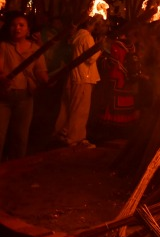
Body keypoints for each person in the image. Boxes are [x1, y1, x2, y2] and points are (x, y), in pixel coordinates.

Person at [0, 12, 48, 160]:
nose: (17, 28)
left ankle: (16, 169)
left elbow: (40, 71)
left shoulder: (35, 49)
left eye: (21, 25)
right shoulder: (4, 46)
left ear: (28, 29)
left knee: (20, 137)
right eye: (14, 25)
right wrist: (2, 78)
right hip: (4, 96)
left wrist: (47, 80)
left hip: (25, 97)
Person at [54, 16, 103, 148]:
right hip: (83, 77)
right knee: (80, 109)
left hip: (73, 76)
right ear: (90, 24)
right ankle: (75, 139)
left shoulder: (76, 36)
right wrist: (100, 47)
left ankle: (63, 133)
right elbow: (91, 58)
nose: (98, 27)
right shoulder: (87, 37)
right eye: (97, 24)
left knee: (68, 107)